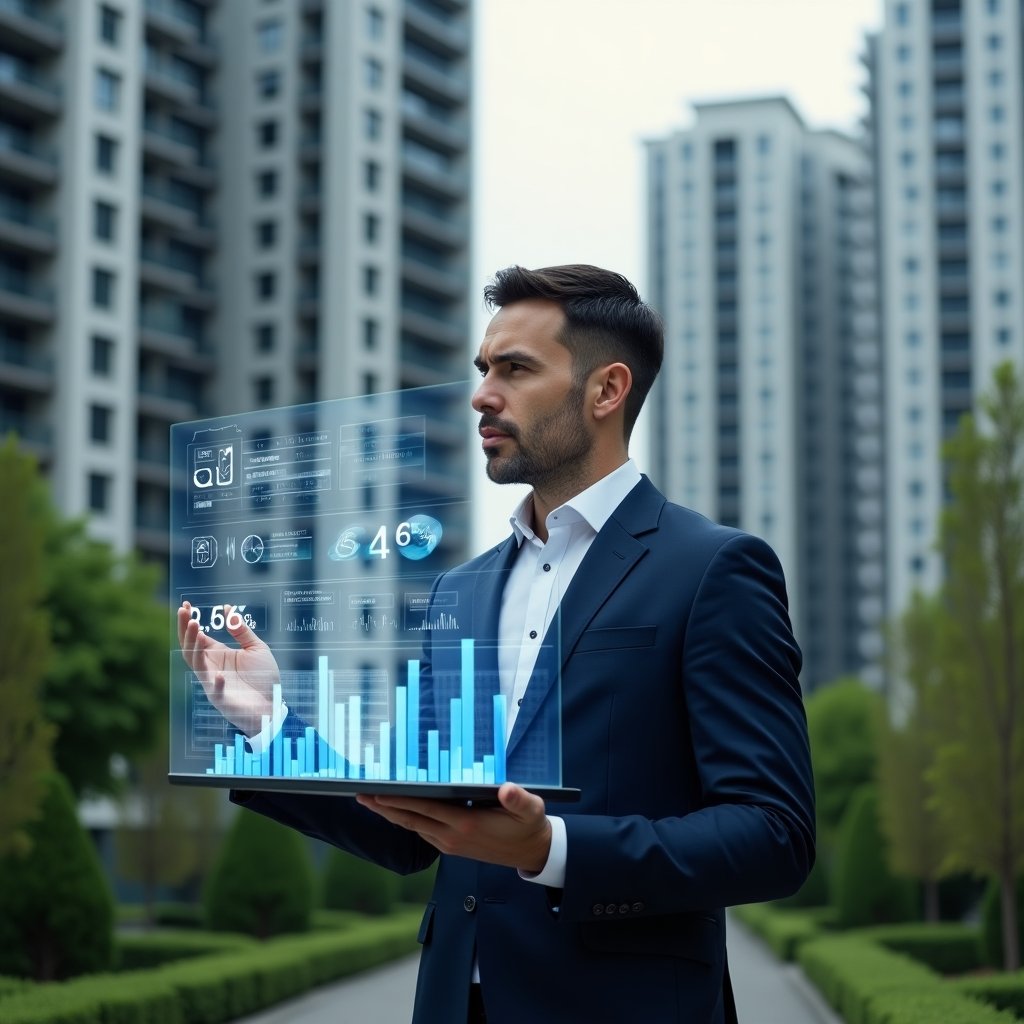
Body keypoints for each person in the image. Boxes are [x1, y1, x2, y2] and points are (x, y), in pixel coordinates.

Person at [177, 264, 815, 1024]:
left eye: (515, 369)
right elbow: (413, 827)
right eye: (483, 370)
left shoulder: (712, 569)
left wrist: (549, 849)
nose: (482, 393)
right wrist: (267, 724)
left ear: (606, 391)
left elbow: (773, 831)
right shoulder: (462, 590)